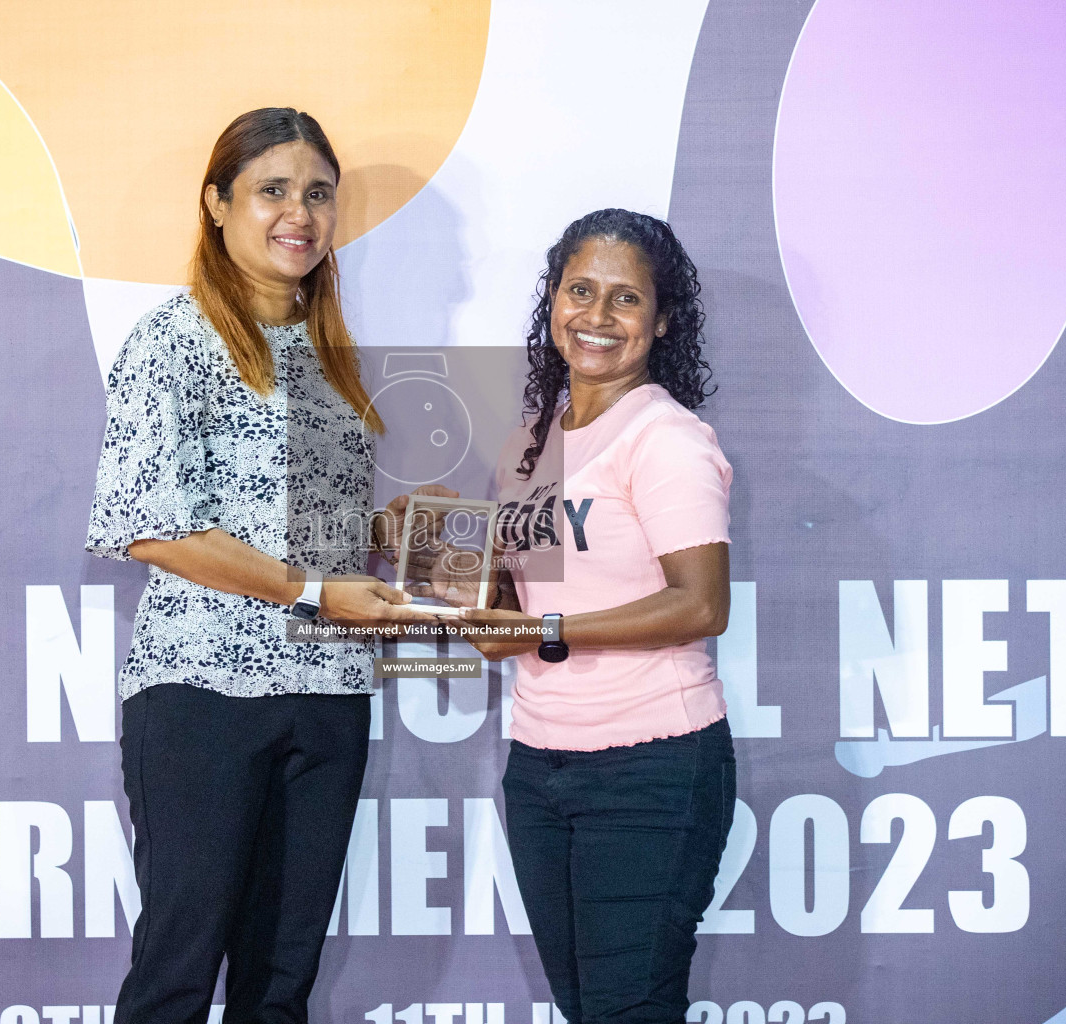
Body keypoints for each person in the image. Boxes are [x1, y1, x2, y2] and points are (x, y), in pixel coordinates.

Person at [85, 107, 430, 1024]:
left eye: (318, 194)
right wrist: (313, 588)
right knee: (177, 975)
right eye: (272, 190)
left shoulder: (327, 351)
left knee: (279, 987)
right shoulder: (174, 338)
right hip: (203, 697)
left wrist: (389, 536)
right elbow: (151, 530)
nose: (300, 214)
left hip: (327, 692)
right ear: (216, 204)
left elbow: (305, 535)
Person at [453, 209, 736, 1023]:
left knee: (628, 1010)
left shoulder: (665, 437)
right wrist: (450, 564)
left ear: (661, 322)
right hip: (541, 767)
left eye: (625, 299)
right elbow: (513, 610)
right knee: (588, 1009)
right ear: (552, 303)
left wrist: (545, 633)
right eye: (581, 291)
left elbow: (701, 603)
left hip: (652, 767)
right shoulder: (528, 444)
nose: (597, 318)